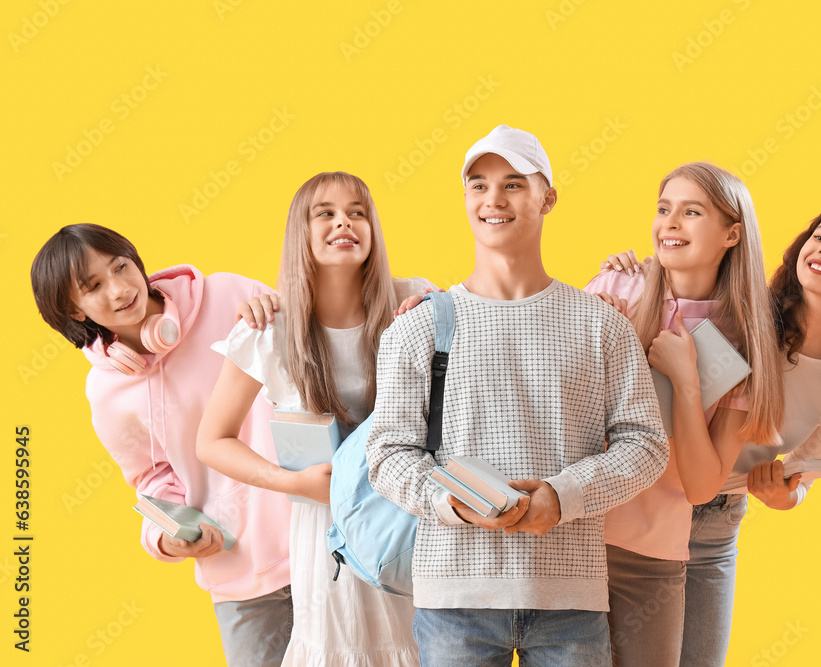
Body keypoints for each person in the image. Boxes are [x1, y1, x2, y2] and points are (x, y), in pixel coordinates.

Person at [366, 125, 669, 667]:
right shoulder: (419, 327)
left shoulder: (601, 325)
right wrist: (450, 503)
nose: (493, 200)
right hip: (453, 600)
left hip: (569, 600)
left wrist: (563, 495)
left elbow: (645, 445)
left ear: (547, 197)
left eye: (512, 184)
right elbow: (387, 454)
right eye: (478, 185)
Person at [601, 201, 821, 666]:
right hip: (656, 503)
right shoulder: (744, 318)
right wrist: (633, 273)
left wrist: (780, 494)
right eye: (820, 237)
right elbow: (667, 380)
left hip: (716, 525)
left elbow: (802, 478)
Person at [30, 224, 293, 666]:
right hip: (238, 567)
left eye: (121, 266)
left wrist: (281, 309)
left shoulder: (229, 294)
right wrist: (167, 537)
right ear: (75, 311)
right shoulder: (106, 391)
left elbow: (315, 359)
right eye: (93, 286)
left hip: (320, 534)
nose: (119, 289)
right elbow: (153, 479)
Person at [197, 171, 429, 667]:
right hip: (325, 523)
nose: (343, 222)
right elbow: (212, 441)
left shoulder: (414, 301)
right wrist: (293, 482)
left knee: (422, 645)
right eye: (324, 212)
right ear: (299, 232)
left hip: (407, 515)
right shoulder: (269, 329)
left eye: (357, 212)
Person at [585, 162, 783, 667]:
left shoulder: (740, 343)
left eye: (691, 212)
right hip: (571, 530)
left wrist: (687, 380)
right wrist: (590, 334)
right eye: (663, 209)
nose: (670, 223)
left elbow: (700, 486)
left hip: (648, 554)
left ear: (731, 234)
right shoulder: (618, 286)